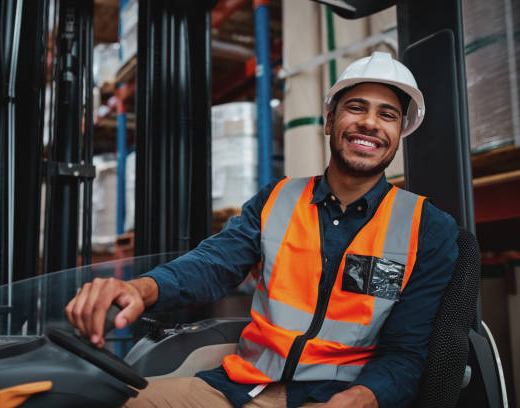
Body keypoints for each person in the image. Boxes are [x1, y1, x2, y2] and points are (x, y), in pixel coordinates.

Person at [65, 52, 458, 408]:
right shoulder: (279, 198)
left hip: (339, 399)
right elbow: (213, 263)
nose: (370, 123)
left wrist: (359, 399)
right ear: (329, 120)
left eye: (387, 115)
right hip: (240, 388)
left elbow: (406, 354)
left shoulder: (427, 229)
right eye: (356, 108)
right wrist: (139, 288)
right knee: (115, 402)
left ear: (399, 134)